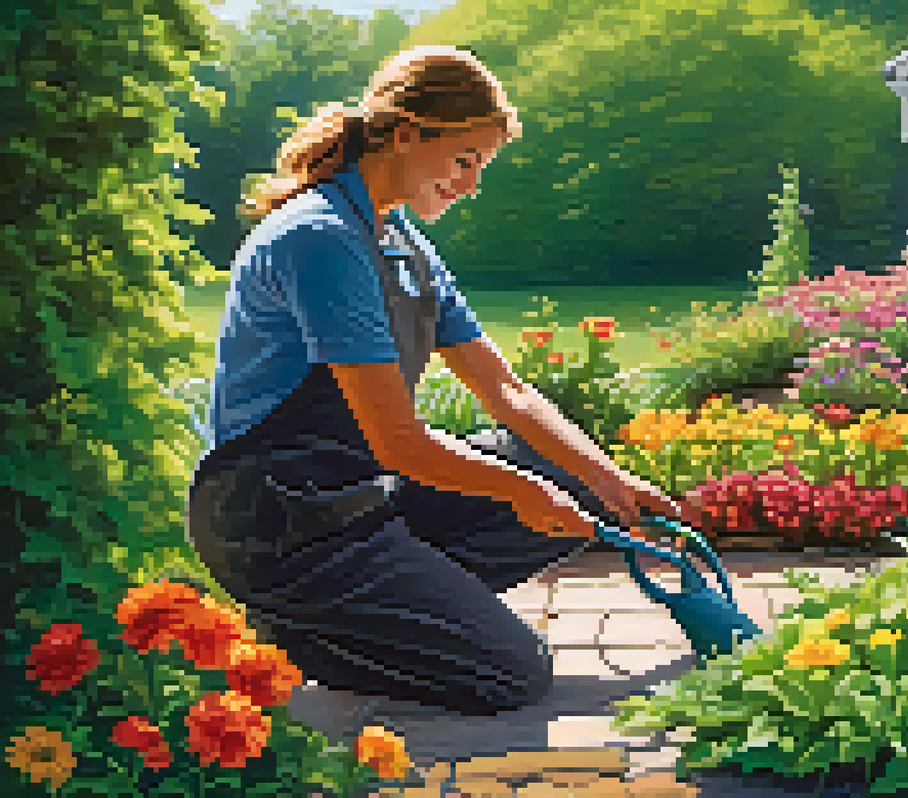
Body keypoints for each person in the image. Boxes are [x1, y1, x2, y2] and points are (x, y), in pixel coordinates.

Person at [184, 45, 682, 720]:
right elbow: (397, 440)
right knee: (513, 674)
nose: (471, 185)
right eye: (464, 161)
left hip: (360, 494)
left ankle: (401, 606)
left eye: (481, 167)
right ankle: (293, 634)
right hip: (280, 519)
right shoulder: (321, 239)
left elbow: (506, 391)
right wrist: (519, 489)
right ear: (405, 134)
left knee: (577, 487)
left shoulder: (401, 241)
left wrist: (612, 482)